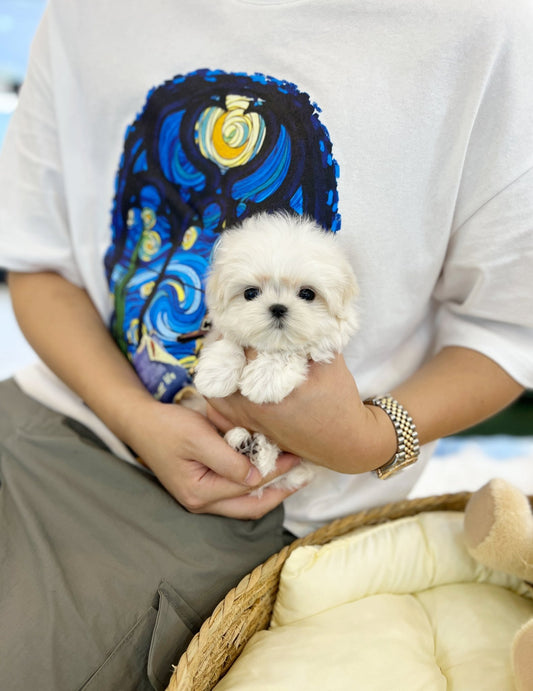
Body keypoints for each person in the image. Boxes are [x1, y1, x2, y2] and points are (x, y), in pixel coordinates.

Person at [0, 0, 532, 689]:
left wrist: (367, 438)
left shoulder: (483, 29)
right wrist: (132, 413)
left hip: (254, 506)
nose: (191, 273)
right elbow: (39, 261)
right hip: (47, 413)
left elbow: (505, 330)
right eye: (164, 216)